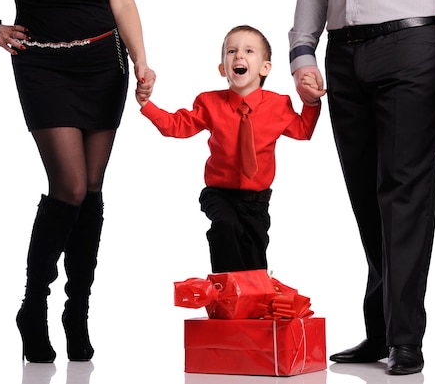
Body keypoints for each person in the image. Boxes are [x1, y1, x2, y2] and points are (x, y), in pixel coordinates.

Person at [0, 0, 154, 363]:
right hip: (42, 65)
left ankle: (77, 313)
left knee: (92, 188)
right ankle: (33, 307)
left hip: (104, 62)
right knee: (71, 187)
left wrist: (141, 61)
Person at [288, 0, 435, 376]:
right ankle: (381, 329)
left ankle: (404, 338)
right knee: (365, 194)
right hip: (342, 52)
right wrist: (303, 53)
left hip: (411, 45)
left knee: (404, 193)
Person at [138, 25, 322, 274]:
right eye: (232, 51)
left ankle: (252, 297)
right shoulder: (210, 103)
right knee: (225, 226)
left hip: (257, 201)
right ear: (223, 68)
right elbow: (177, 126)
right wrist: (147, 105)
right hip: (219, 194)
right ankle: (226, 288)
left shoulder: (278, 105)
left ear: (265, 68)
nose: (239, 56)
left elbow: (303, 130)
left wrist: (311, 103)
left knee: (254, 261)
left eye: (248, 51)